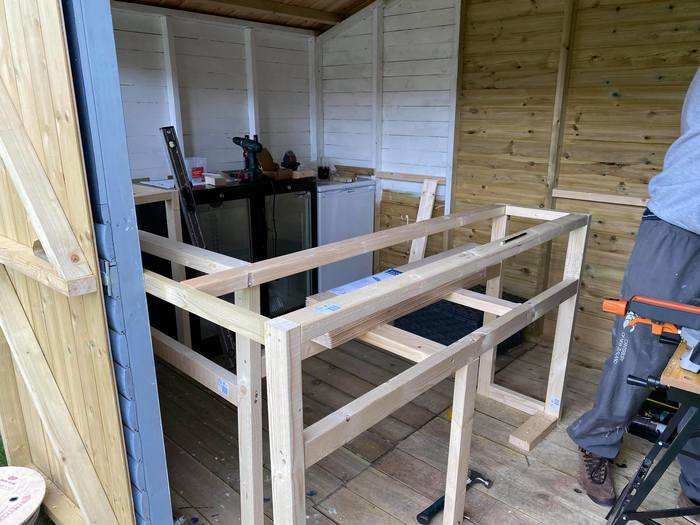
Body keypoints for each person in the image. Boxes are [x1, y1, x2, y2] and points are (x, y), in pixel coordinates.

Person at [567, 67, 700, 523]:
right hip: (681, 223)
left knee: (699, 367)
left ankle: (697, 484)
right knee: (639, 347)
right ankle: (596, 444)